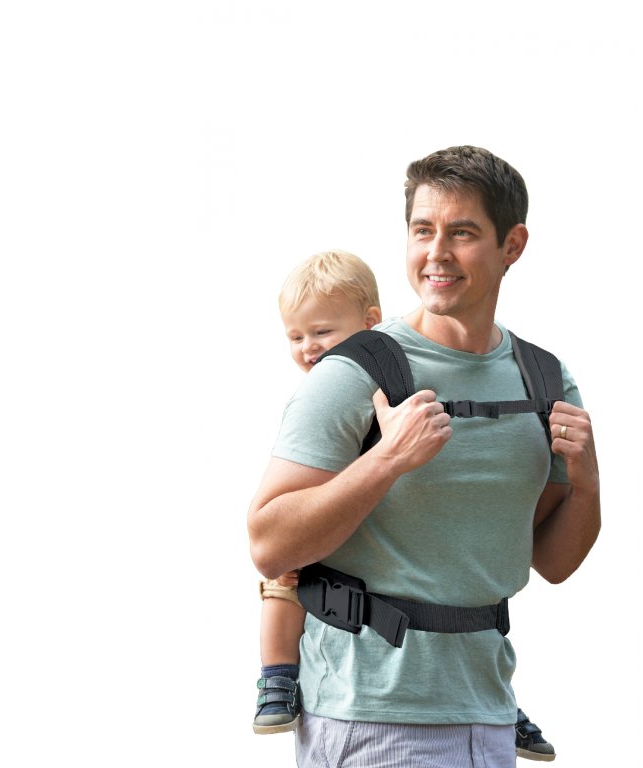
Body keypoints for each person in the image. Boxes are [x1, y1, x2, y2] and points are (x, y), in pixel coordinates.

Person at [248, 146, 600, 768]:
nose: (436, 252)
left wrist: (588, 483)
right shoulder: (356, 371)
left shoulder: (544, 379)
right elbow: (269, 545)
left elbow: (553, 561)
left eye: (461, 232)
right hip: (368, 717)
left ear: (512, 245)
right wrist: (387, 460)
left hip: (488, 715)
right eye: (422, 230)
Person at [253, 249, 382, 735]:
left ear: (370, 323)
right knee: (282, 579)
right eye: (296, 336)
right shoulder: (311, 398)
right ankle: (277, 677)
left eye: (322, 332)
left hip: (374, 532)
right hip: (315, 525)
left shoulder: (395, 381)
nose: (309, 347)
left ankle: (499, 696)